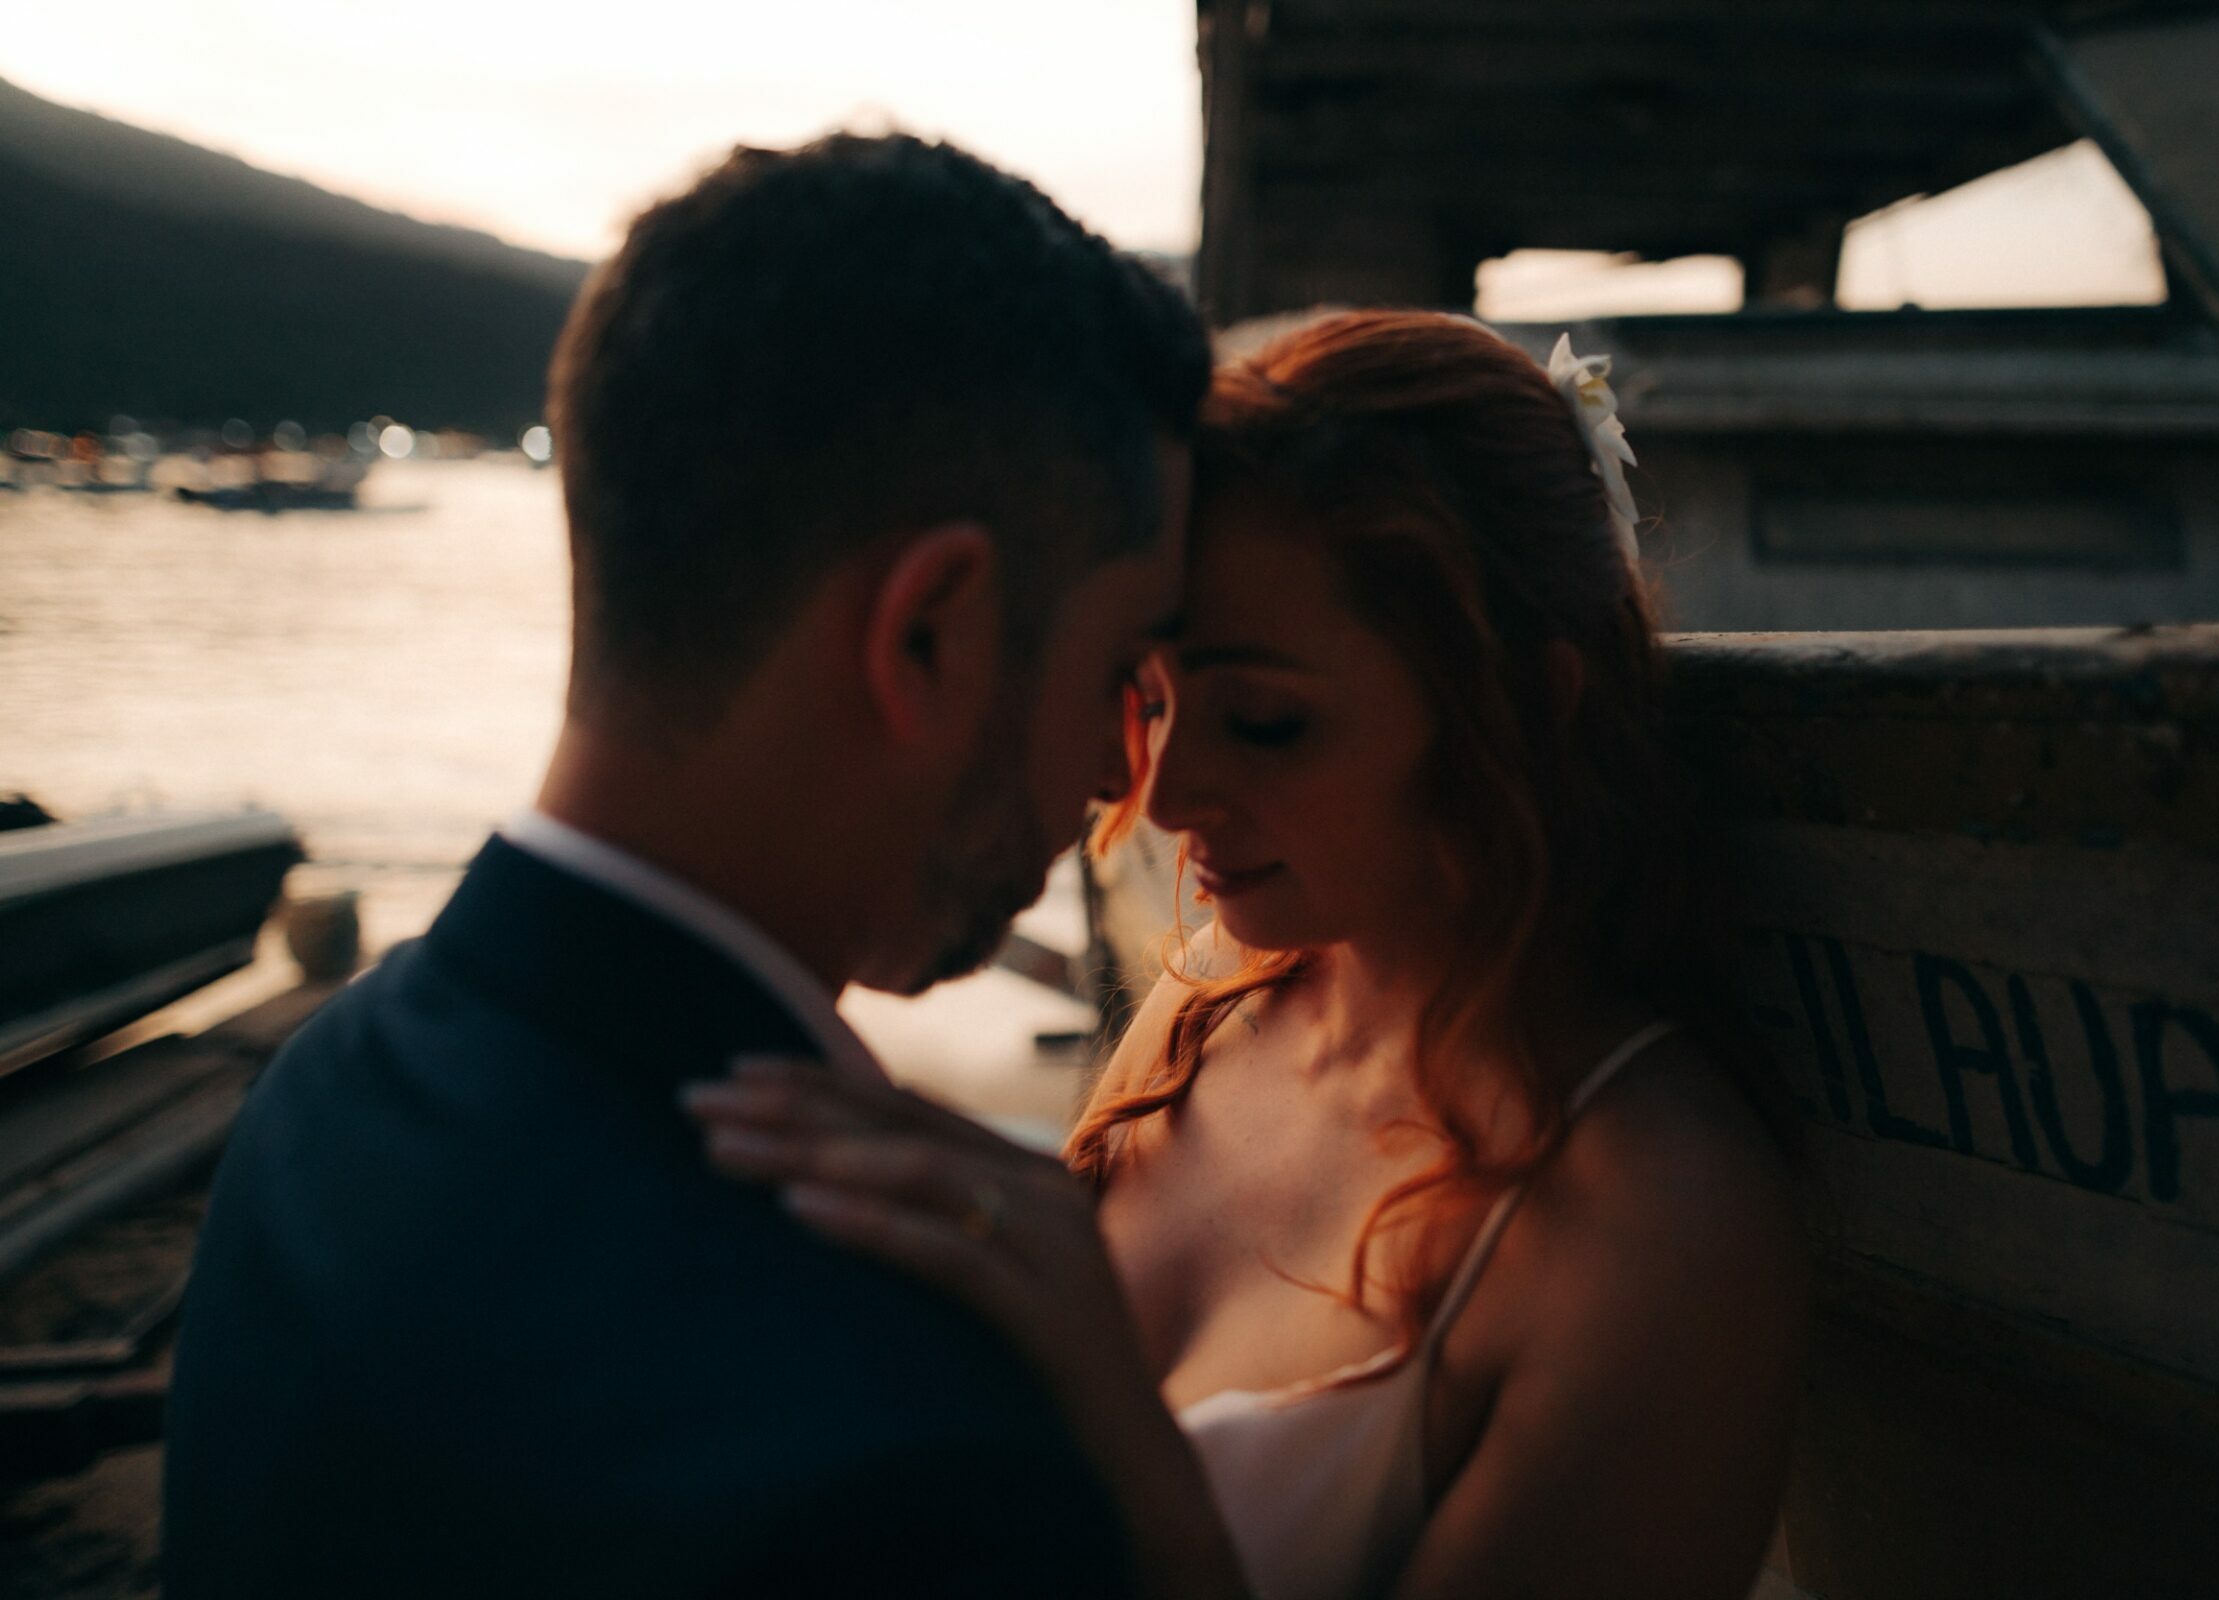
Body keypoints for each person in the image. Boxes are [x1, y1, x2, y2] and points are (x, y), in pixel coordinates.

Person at [163, 134, 1209, 1597]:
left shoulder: (315, 1099)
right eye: (1115, 665)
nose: (1120, 775)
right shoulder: (917, 1448)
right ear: (931, 635)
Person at [687, 311, 1808, 1599]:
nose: (1162, 797)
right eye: (1150, 698)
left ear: (1523, 706)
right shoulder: (1218, 998)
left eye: (1265, 722)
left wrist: (1120, 1448)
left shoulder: (1656, 1229)